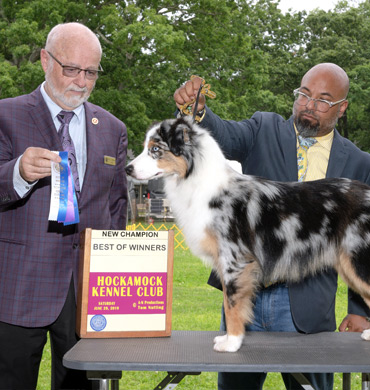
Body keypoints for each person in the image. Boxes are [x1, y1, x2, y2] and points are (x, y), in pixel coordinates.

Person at [173, 63, 370, 390]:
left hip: (308, 307)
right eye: (304, 94)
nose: (309, 105)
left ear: (342, 107)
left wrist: (359, 310)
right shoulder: (263, 127)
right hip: (247, 297)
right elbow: (224, 134)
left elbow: (361, 246)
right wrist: (199, 112)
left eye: (322, 100)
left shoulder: (359, 163)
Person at [0, 22, 128, 389]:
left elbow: (116, 207)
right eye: (71, 69)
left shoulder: (113, 129)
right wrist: (18, 172)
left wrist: (111, 275)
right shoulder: (5, 115)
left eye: (91, 72)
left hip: (86, 294)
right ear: (45, 60)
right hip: (16, 287)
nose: (81, 81)